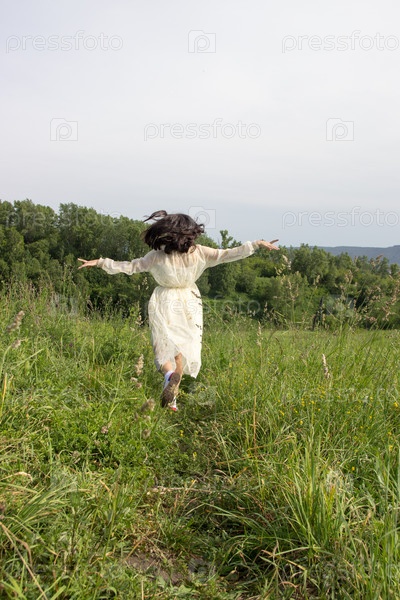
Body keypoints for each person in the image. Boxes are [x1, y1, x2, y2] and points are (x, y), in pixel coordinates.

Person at [78, 210, 279, 410]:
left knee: (163, 345)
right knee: (181, 351)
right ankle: (173, 396)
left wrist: (101, 263)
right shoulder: (199, 252)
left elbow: (131, 266)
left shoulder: (157, 256)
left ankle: (168, 376)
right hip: (189, 302)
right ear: (191, 233)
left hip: (164, 301)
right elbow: (228, 254)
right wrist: (256, 244)